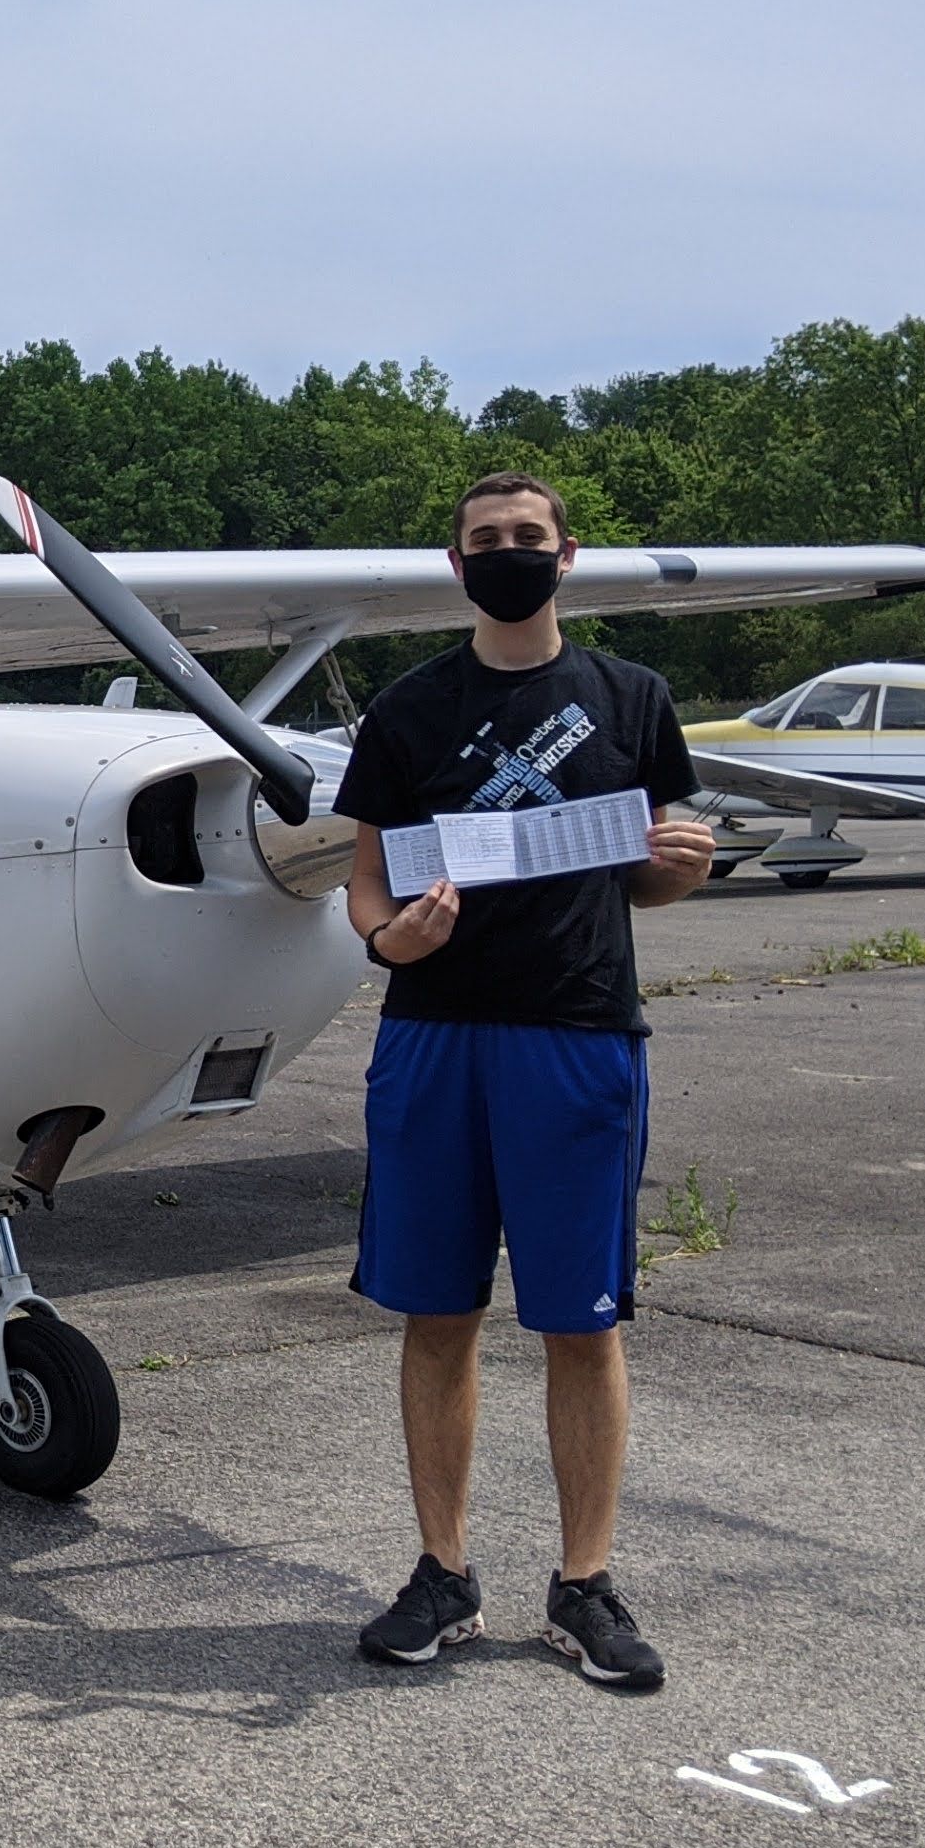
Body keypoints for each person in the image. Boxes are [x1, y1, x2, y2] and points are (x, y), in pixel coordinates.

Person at [332, 470, 714, 1691]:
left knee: (579, 1321)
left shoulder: (631, 699)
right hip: (437, 1031)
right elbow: (366, 885)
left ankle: (585, 1583)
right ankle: (443, 1574)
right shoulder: (406, 709)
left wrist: (679, 865)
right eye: (485, 541)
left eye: (527, 538)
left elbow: (649, 877)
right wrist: (394, 941)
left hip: (578, 1031)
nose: (508, 553)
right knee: (437, 1312)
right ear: (458, 566)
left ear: (565, 554)